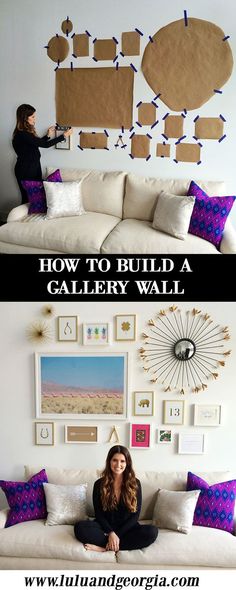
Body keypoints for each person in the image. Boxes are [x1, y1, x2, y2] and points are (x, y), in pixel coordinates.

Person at [74, 445, 158, 552]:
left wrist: (116, 535)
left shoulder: (135, 484)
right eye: (115, 460)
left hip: (127, 529)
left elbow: (135, 516)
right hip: (105, 529)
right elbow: (99, 514)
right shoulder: (99, 484)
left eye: (122, 461)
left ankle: (105, 547)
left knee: (152, 532)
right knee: (79, 528)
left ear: (127, 463)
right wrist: (110, 533)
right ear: (109, 461)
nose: (118, 465)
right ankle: (115, 545)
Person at [12, 104, 73, 203]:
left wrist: (48, 135)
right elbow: (45, 145)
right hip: (26, 169)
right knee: (28, 198)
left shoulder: (25, 133)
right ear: (24, 118)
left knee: (36, 197)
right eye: (32, 117)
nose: (34, 119)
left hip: (33, 166)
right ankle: (24, 218)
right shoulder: (22, 134)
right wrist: (64, 136)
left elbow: (35, 144)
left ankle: (32, 217)